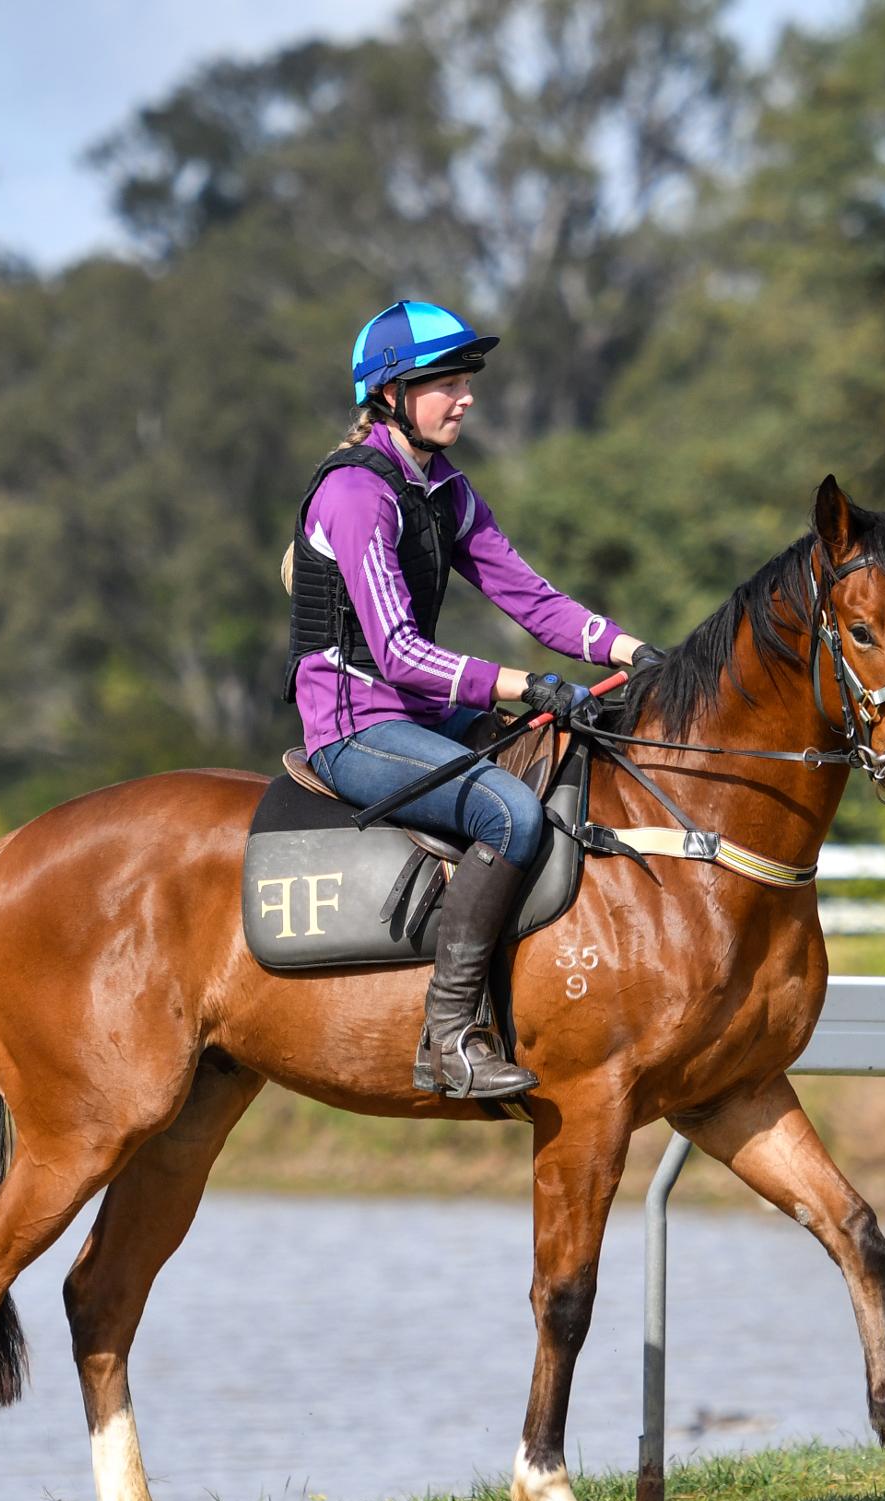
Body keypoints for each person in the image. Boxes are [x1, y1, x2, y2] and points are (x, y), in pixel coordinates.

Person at [282, 299, 654, 1099]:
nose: (466, 397)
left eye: (466, 380)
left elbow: (533, 599)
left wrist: (634, 651)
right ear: (390, 395)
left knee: (575, 754)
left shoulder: (445, 489)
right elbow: (397, 653)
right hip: (353, 726)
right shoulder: (356, 494)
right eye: (446, 383)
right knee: (509, 814)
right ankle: (448, 1037)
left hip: (419, 716)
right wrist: (526, 684)